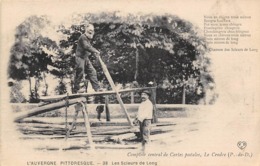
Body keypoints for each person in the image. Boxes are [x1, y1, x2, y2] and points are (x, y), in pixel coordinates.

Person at [73, 23, 100, 93]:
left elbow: (89, 47)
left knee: (92, 71)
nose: (91, 31)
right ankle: (77, 89)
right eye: (90, 30)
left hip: (85, 58)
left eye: (92, 30)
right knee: (80, 72)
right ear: (86, 30)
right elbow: (86, 47)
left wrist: (94, 52)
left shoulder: (88, 39)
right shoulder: (83, 37)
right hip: (79, 58)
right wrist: (95, 51)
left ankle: (97, 88)